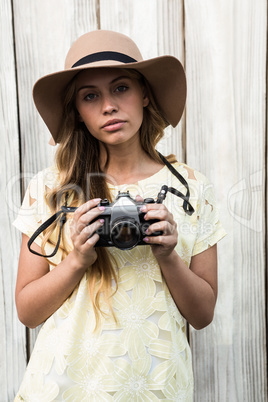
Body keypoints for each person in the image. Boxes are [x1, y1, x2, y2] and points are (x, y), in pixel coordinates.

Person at [13, 30, 226, 401]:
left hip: (157, 389)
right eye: (90, 96)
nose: (108, 106)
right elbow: (28, 312)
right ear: (77, 111)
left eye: (121, 88)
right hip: (64, 388)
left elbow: (203, 314)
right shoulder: (52, 188)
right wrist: (77, 259)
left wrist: (167, 255)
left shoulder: (191, 188)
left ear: (145, 93)